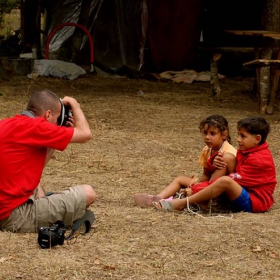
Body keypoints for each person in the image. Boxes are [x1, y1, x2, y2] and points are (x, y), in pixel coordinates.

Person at [0, 89, 97, 233]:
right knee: (88, 193)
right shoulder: (37, 127)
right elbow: (85, 134)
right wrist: (75, 105)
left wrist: (54, 140)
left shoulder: (7, 123)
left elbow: (34, 169)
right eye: (58, 118)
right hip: (11, 215)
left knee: (36, 182)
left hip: (6, 202)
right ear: (48, 114)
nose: (58, 123)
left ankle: (45, 206)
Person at [153, 116, 277, 213]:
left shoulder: (260, 160)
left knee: (225, 181)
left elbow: (233, 179)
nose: (238, 139)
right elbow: (211, 173)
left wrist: (196, 188)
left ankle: (182, 203)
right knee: (227, 158)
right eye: (238, 134)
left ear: (257, 139)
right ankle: (197, 199)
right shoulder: (244, 151)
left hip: (254, 201)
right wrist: (214, 163)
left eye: (243, 136)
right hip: (244, 190)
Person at [134, 114, 237, 207]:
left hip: (220, 189)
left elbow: (223, 180)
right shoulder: (206, 150)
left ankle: (192, 201)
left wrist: (196, 188)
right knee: (180, 179)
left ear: (224, 134)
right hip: (207, 183)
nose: (207, 137)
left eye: (212, 133)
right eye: (205, 133)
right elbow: (206, 175)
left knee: (200, 187)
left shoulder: (228, 153)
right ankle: (158, 198)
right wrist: (197, 183)